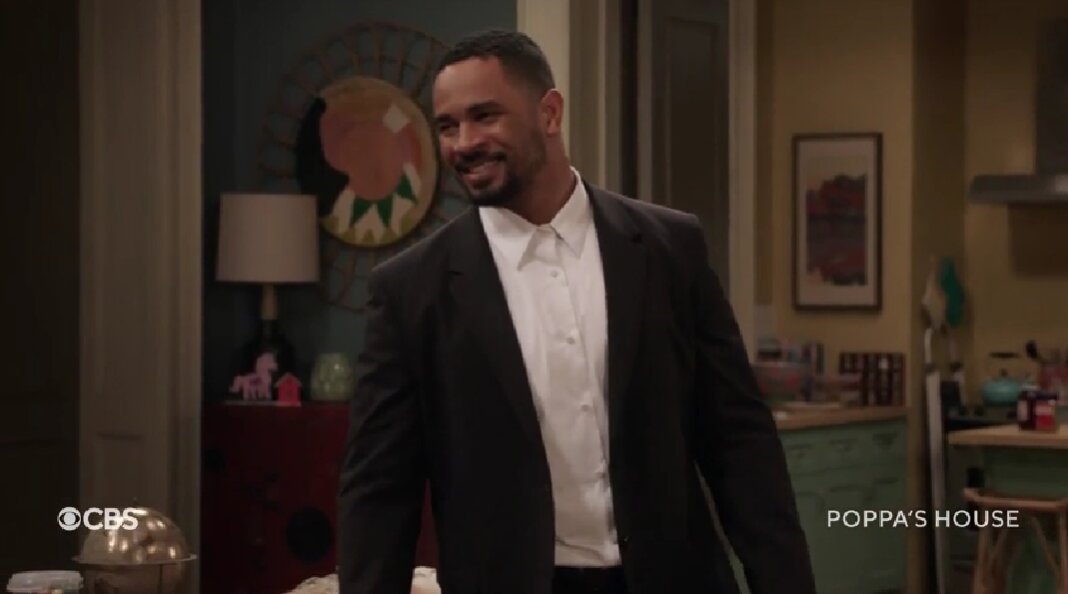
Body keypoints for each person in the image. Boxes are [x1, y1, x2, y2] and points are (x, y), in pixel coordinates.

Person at [337, 29, 816, 594]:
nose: (464, 143)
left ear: (550, 112)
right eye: (447, 126)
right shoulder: (410, 290)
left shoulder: (669, 248)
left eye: (484, 116)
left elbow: (740, 442)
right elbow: (379, 491)